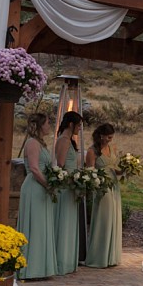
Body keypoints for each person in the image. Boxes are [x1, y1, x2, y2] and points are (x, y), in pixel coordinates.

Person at [17, 113, 58, 280]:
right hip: (35, 188)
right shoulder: (32, 143)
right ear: (40, 125)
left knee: (42, 227)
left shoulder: (42, 143)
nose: (49, 126)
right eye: (47, 123)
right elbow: (34, 168)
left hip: (42, 189)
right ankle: (30, 268)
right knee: (34, 226)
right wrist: (48, 185)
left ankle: (41, 267)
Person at [83, 123, 122, 268]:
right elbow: (89, 172)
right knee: (104, 219)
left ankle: (111, 256)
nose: (110, 140)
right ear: (101, 136)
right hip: (101, 187)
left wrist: (124, 169)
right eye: (108, 137)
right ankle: (99, 256)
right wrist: (98, 183)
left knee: (113, 218)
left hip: (114, 186)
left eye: (112, 137)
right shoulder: (92, 151)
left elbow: (115, 168)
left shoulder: (113, 148)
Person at [54, 111, 82, 275]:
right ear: (71, 125)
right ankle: (62, 261)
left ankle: (68, 260)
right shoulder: (64, 141)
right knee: (65, 222)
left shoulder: (70, 141)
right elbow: (61, 164)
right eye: (78, 125)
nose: (79, 128)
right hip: (66, 186)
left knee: (70, 222)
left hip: (72, 186)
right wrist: (76, 178)